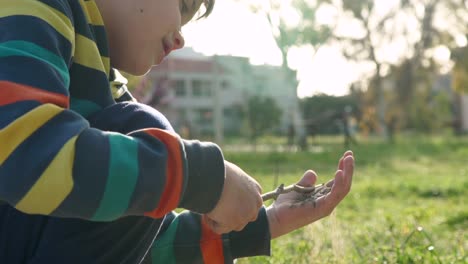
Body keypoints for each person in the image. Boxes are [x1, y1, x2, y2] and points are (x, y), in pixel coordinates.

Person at [0, 0, 355, 263]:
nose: (182, 37)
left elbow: (132, 244)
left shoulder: (107, 92)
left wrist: (267, 222)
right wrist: (196, 177)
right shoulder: (30, 11)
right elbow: (25, 154)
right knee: (142, 130)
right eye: (183, 5)